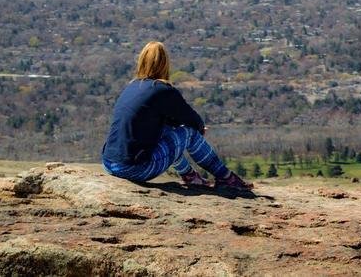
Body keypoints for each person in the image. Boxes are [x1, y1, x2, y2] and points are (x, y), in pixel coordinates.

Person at [101, 41, 253, 191]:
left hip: (109, 162)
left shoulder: (132, 86)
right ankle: (227, 178)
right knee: (189, 134)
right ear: (165, 64)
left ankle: (191, 177)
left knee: (168, 132)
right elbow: (192, 120)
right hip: (135, 168)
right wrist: (199, 129)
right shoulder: (162, 90)